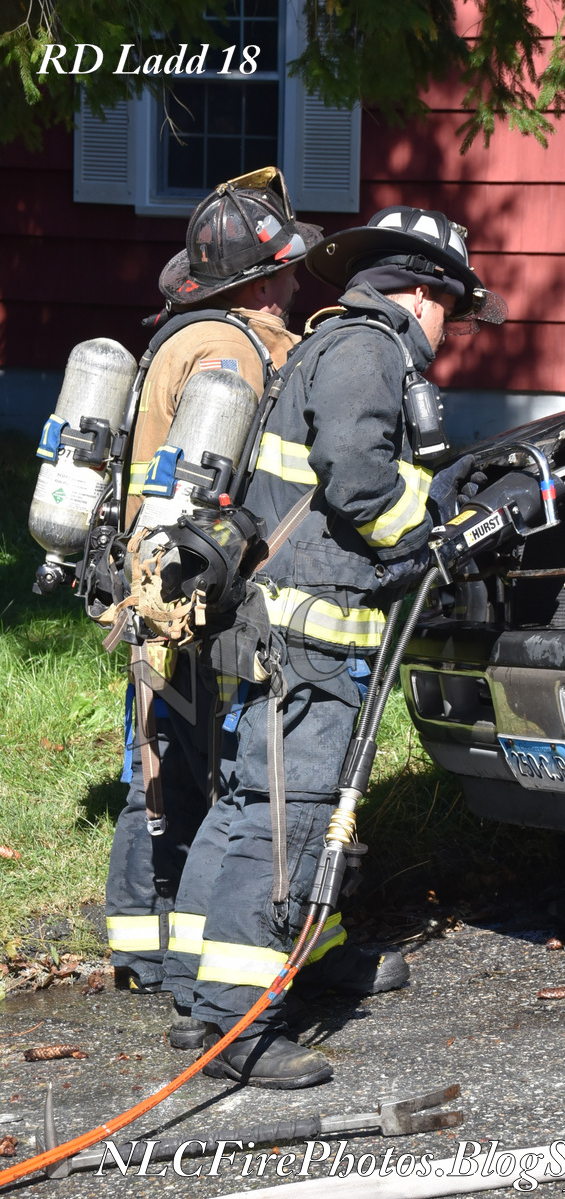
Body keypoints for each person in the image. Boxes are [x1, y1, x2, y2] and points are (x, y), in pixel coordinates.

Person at [160, 205, 507, 1089]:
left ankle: (195, 989)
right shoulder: (368, 351)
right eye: (452, 312)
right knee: (289, 822)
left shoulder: (330, 341)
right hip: (310, 641)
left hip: (284, 632)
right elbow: (358, 482)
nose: (450, 333)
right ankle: (237, 1028)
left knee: (247, 808)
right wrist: (434, 540)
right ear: (423, 293)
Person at [105, 168, 320, 997]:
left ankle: (146, 950)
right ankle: (196, 957)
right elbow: (220, 494)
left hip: (151, 579)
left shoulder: (179, 334)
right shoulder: (232, 351)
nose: (296, 282)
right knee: (210, 772)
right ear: (260, 281)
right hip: (196, 593)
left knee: (153, 763)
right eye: (286, 270)